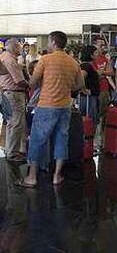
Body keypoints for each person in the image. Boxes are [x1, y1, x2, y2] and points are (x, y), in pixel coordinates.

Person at [18, 31, 84, 187]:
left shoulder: (45, 59)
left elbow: (33, 83)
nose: (47, 44)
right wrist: (67, 87)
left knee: (37, 140)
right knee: (62, 139)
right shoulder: (73, 62)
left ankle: (32, 177)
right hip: (65, 106)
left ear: (54, 42)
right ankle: (56, 176)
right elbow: (80, 84)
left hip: (46, 106)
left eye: (48, 41)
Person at [0, 38, 27, 162]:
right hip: (14, 94)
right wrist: (32, 84)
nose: (21, 48)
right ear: (14, 47)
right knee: (15, 124)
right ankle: (12, 154)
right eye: (19, 46)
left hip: (7, 93)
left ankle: (10, 150)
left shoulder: (4, 57)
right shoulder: (10, 59)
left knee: (12, 124)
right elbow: (19, 81)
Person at [91, 37, 113, 149]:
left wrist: (102, 72)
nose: (103, 47)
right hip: (96, 90)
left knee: (104, 115)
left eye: (104, 45)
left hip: (105, 90)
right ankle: (94, 140)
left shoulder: (105, 59)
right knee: (95, 115)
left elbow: (111, 72)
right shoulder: (92, 59)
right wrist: (103, 73)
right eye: (101, 45)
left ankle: (102, 140)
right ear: (95, 45)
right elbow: (94, 74)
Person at [80, 46, 100, 126]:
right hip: (89, 98)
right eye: (95, 53)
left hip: (90, 97)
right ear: (90, 55)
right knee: (91, 121)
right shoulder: (86, 66)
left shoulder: (87, 65)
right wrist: (84, 89)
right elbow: (81, 77)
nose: (97, 54)